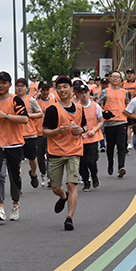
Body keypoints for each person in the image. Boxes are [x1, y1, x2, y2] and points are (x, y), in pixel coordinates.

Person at [0, 71, 29, 221]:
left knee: (15, 176)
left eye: (4, 83)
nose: (0, 86)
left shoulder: (16, 100)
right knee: (0, 175)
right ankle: (0, 208)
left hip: (14, 144)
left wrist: (7, 116)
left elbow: (24, 119)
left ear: (9, 85)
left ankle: (15, 204)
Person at [43, 75, 87, 230]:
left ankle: (69, 218)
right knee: (56, 187)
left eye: (65, 87)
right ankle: (63, 197)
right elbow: (44, 132)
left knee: (71, 184)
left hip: (74, 151)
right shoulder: (52, 110)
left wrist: (81, 129)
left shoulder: (79, 108)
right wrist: (57, 131)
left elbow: (85, 126)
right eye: (59, 87)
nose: (62, 90)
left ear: (71, 90)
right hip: (55, 152)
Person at [97, 71, 130, 178]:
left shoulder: (125, 92)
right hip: (109, 123)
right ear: (109, 79)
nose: (115, 79)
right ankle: (110, 163)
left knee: (121, 145)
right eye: (113, 77)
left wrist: (128, 111)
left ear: (121, 80)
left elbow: (128, 104)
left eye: (118, 77)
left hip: (122, 121)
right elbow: (98, 105)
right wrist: (103, 112)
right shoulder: (105, 91)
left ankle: (121, 167)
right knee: (110, 146)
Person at [14, 77, 43, 188]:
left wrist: (27, 116)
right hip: (16, 135)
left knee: (32, 159)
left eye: (22, 86)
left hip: (30, 134)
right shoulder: (12, 100)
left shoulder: (31, 100)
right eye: (18, 86)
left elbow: (40, 114)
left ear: (27, 88)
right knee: (17, 161)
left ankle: (33, 173)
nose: (20, 88)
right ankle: (17, 183)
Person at [76, 82, 104, 191]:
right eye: (81, 93)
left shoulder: (95, 106)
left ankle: (94, 175)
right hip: (80, 139)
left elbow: (101, 121)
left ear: (89, 94)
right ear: (77, 95)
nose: (84, 95)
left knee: (91, 161)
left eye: (85, 92)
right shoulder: (76, 107)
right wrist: (79, 132)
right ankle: (86, 182)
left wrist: (94, 130)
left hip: (92, 138)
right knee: (81, 163)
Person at [35, 80, 57, 187]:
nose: (44, 92)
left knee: (50, 155)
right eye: (42, 90)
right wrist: (36, 96)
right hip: (38, 132)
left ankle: (49, 177)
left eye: (46, 89)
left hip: (50, 131)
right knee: (40, 155)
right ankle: (43, 173)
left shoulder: (53, 100)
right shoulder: (36, 101)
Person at [122, 68, 136, 151]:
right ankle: (129, 142)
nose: (129, 75)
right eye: (128, 73)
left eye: (131, 73)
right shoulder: (123, 84)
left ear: (134, 75)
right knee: (128, 126)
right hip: (127, 107)